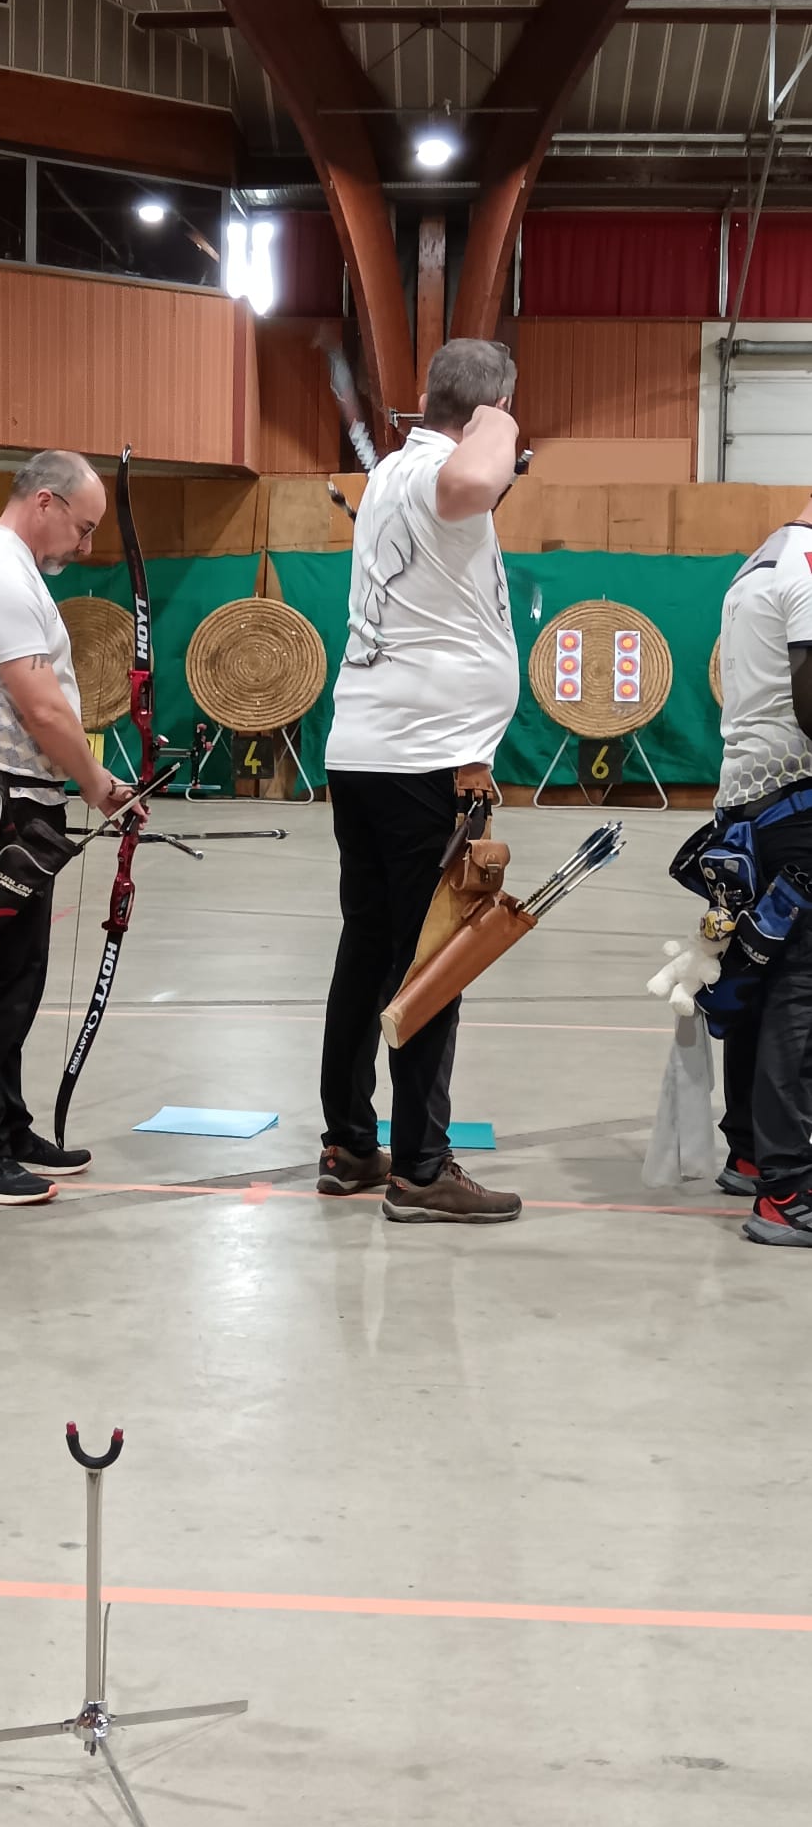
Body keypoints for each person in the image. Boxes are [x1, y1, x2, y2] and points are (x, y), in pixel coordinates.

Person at [318, 338, 526, 1227]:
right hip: (418, 763)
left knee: (368, 951)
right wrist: (505, 424)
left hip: (367, 753)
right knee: (433, 958)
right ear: (480, 416)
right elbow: (472, 486)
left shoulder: (396, 474)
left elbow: (468, 498)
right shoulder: (446, 470)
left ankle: (351, 1144)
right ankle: (421, 1168)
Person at [0, 449, 143, 1208]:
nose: (82, 549)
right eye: (79, 529)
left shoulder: (8, 571)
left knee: (17, 979)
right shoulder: (0, 575)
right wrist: (101, 786)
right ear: (44, 503)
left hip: (15, 805)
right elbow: (42, 708)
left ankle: (6, 1129)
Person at [703, 503, 812, 1245]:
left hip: (744, 801)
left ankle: (747, 1151)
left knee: (757, 975)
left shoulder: (759, 563)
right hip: (795, 805)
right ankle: (789, 1193)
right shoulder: (806, 568)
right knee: (798, 992)